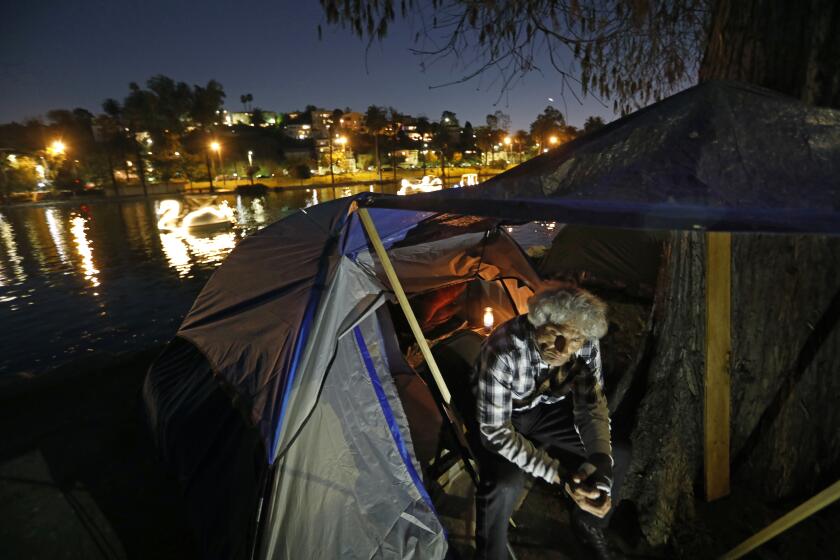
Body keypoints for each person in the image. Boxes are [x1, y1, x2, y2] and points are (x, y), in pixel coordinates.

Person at [469, 286, 629, 560]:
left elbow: (591, 405)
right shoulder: (504, 350)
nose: (563, 350)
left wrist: (600, 458)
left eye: (574, 339)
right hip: (504, 415)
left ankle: (588, 521)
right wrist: (560, 475)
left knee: (619, 454)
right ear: (537, 322)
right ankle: (490, 554)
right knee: (504, 484)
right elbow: (495, 432)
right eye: (556, 334)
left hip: (544, 407)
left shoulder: (586, 344)